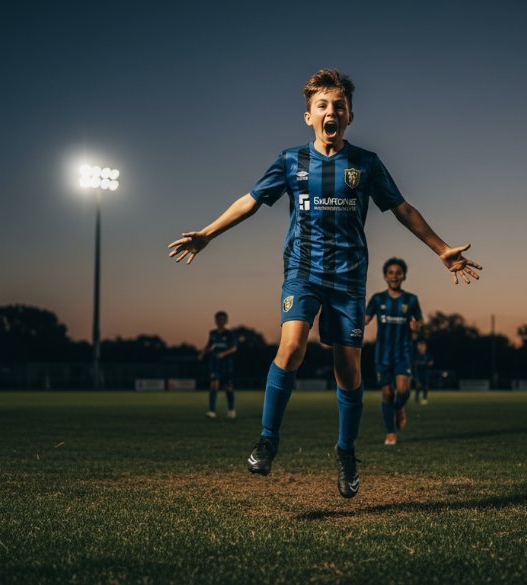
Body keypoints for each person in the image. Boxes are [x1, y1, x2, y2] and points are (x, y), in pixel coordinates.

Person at [168, 68, 482, 498]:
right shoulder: (290, 161)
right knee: (291, 346)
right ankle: (267, 440)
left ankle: (346, 452)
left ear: (349, 116)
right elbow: (250, 201)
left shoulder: (366, 164)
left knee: (348, 371)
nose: (330, 111)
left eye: (339, 105)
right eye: (322, 105)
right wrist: (207, 233)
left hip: (348, 279)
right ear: (309, 116)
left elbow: (403, 209)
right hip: (303, 271)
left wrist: (441, 248)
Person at [365, 258, 422, 446]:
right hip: (382, 354)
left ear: (404, 276)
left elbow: (419, 321)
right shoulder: (377, 299)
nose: (395, 276)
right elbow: (365, 318)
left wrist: (416, 325)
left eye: (398, 273)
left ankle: (399, 407)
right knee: (387, 393)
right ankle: (390, 433)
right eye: (391, 273)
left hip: (403, 353)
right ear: (385, 277)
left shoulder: (411, 299)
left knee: (403, 391)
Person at [200, 310, 237, 419]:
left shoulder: (230, 334)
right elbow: (209, 345)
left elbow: (234, 348)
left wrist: (223, 354)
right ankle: (212, 411)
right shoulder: (212, 333)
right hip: (215, 364)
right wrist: (202, 353)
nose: (220, 321)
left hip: (226, 364)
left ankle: (231, 410)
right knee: (213, 385)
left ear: (226, 320)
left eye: (222, 319)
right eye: (218, 319)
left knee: (228, 387)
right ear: (215, 320)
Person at [413, 339, 434, 406]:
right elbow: (413, 363)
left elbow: (431, 362)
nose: (421, 348)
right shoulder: (416, 355)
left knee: (425, 386)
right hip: (418, 373)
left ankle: (424, 399)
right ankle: (416, 398)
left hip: (426, 373)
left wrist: (429, 363)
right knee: (418, 385)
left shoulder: (428, 355)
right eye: (420, 346)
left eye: (423, 346)